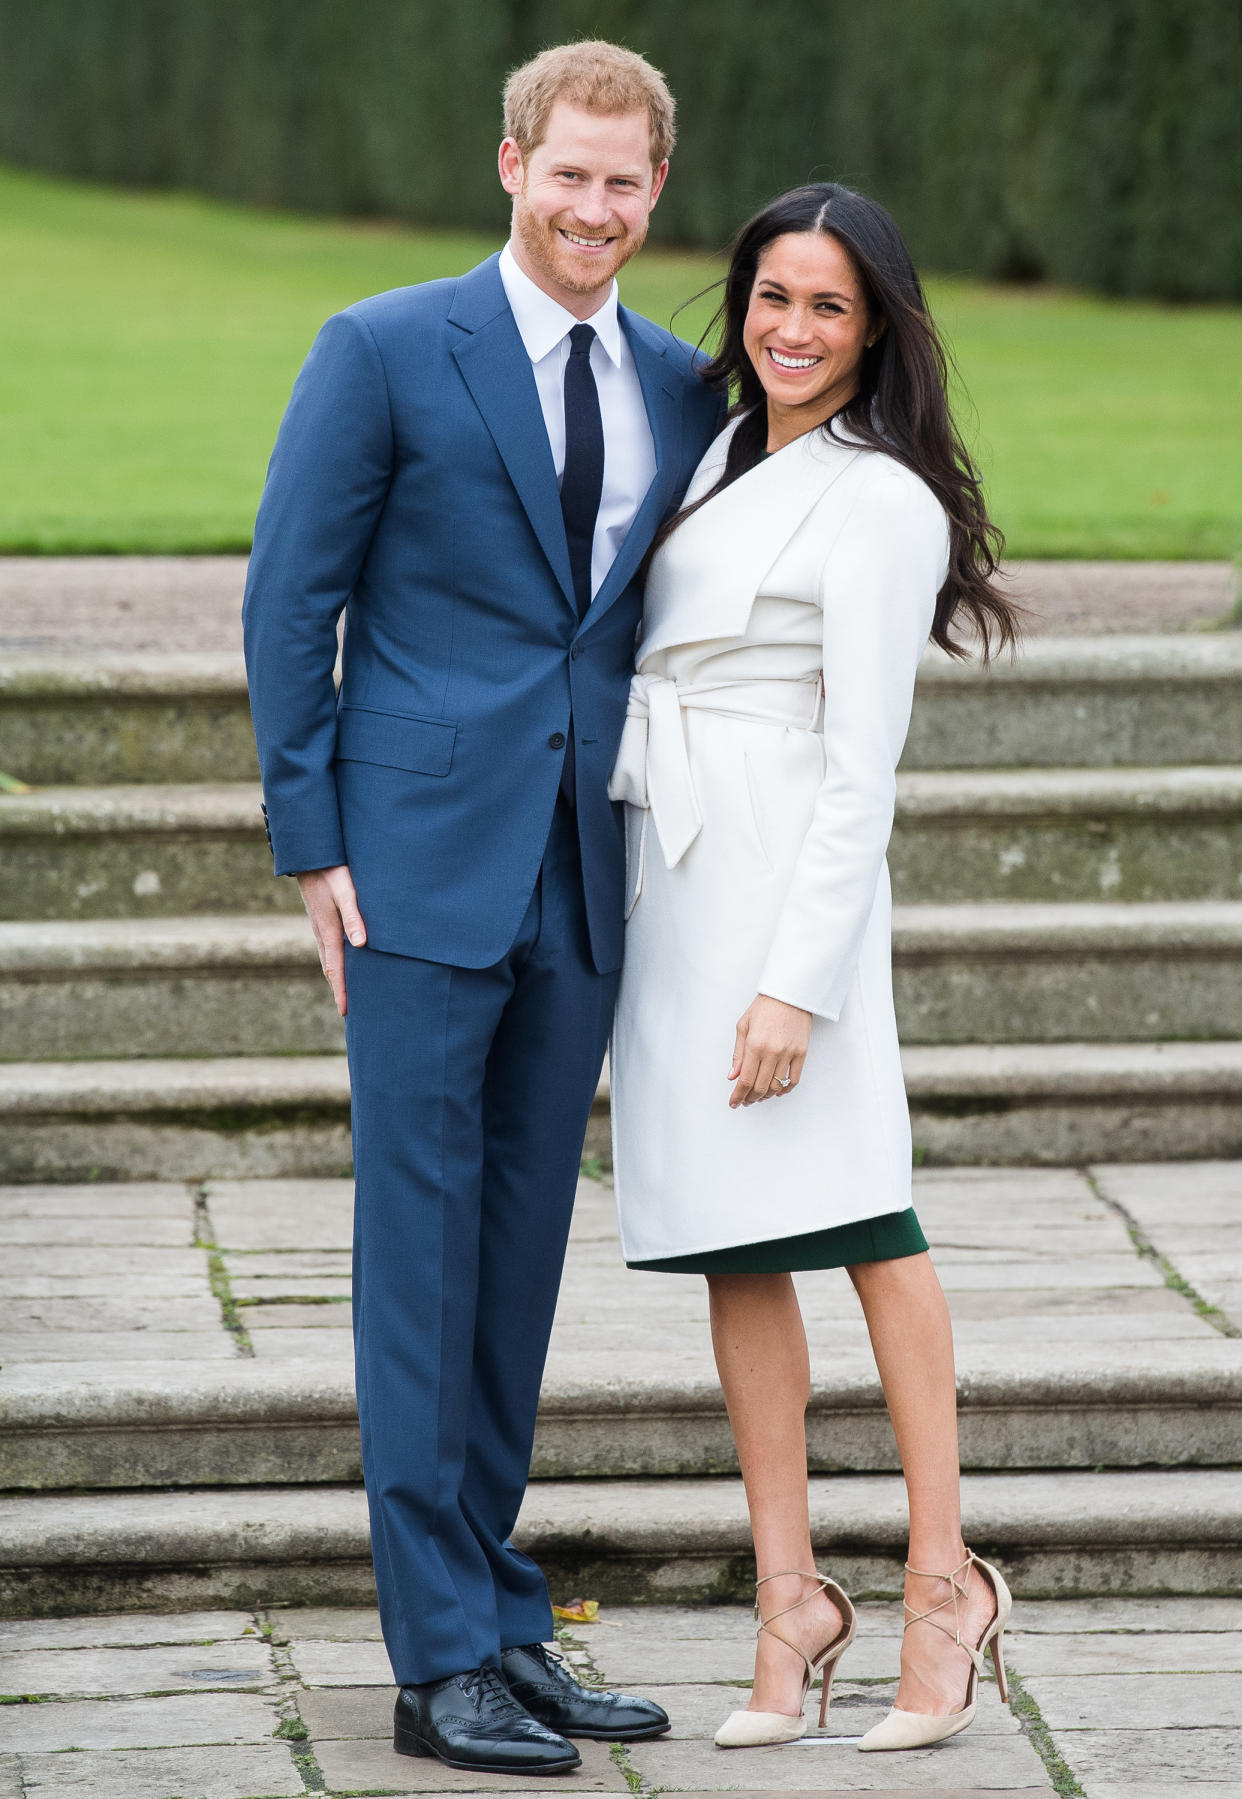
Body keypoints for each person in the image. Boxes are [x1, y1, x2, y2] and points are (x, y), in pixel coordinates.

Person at [243, 40, 722, 1779]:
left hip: (583, 876)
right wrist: (313, 841)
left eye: (625, 183)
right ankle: (435, 1653)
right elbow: (291, 597)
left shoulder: (680, 381)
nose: (594, 208)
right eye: (567, 172)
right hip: (415, 871)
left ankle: (504, 1622)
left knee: (515, 1262)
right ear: (508, 164)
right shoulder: (382, 349)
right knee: (417, 1262)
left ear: (654, 192)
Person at [608, 182, 1023, 1753]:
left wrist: (799, 984)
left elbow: (863, 772)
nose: (791, 330)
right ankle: (787, 1602)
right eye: (772, 297)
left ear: (877, 329)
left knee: (867, 1223)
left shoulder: (879, 500)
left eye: (828, 307)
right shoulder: (717, 450)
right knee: (734, 1240)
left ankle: (939, 1583)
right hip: (676, 876)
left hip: (790, 884)